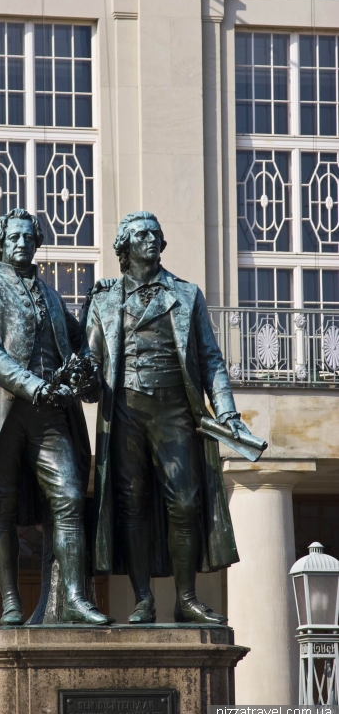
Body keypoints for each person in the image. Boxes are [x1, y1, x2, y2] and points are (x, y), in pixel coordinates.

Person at [83, 211, 251, 624]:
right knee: (132, 503)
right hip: (125, 410)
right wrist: (82, 378)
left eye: (156, 233)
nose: (151, 239)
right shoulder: (104, 299)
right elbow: (91, 359)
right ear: (124, 246)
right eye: (142, 234)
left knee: (186, 500)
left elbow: (211, 358)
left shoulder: (187, 294)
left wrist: (225, 409)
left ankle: (186, 597)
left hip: (175, 408)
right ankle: (143, 598)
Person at [0, 207, 109, 626]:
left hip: (51, 413)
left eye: (29, 237)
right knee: (2, 505)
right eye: (15, 238)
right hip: (1, 413)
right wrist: (33, 385)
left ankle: (76, 598)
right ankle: (10, 600)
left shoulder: (53, 297)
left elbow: (81, 347)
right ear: (1, 244)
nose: (23, 243)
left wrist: (102, 301)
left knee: (69, 497)